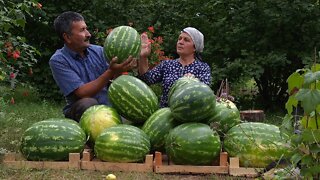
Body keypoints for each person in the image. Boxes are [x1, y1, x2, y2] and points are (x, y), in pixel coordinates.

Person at [49, 11, 136, 122]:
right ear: (67, 37)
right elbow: (82, 93)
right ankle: (85, 135)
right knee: (88, 103)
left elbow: (113, 81)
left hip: (108, 107)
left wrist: (121, 69)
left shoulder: (99, 51)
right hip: (82, 111)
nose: (88, 34)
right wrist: (111, 71)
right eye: (82, 30)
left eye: (86, 28)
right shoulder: (59, 60)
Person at [138, 27, 212, 107]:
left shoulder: (202, 68)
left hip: (189, 116)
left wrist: (193, 83)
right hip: (166, 115)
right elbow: (146, 79)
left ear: (195, 47)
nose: (180, 42)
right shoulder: (167, 65)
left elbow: (204, 94)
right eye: (179, 39)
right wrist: (143, 57)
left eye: (186, 40)